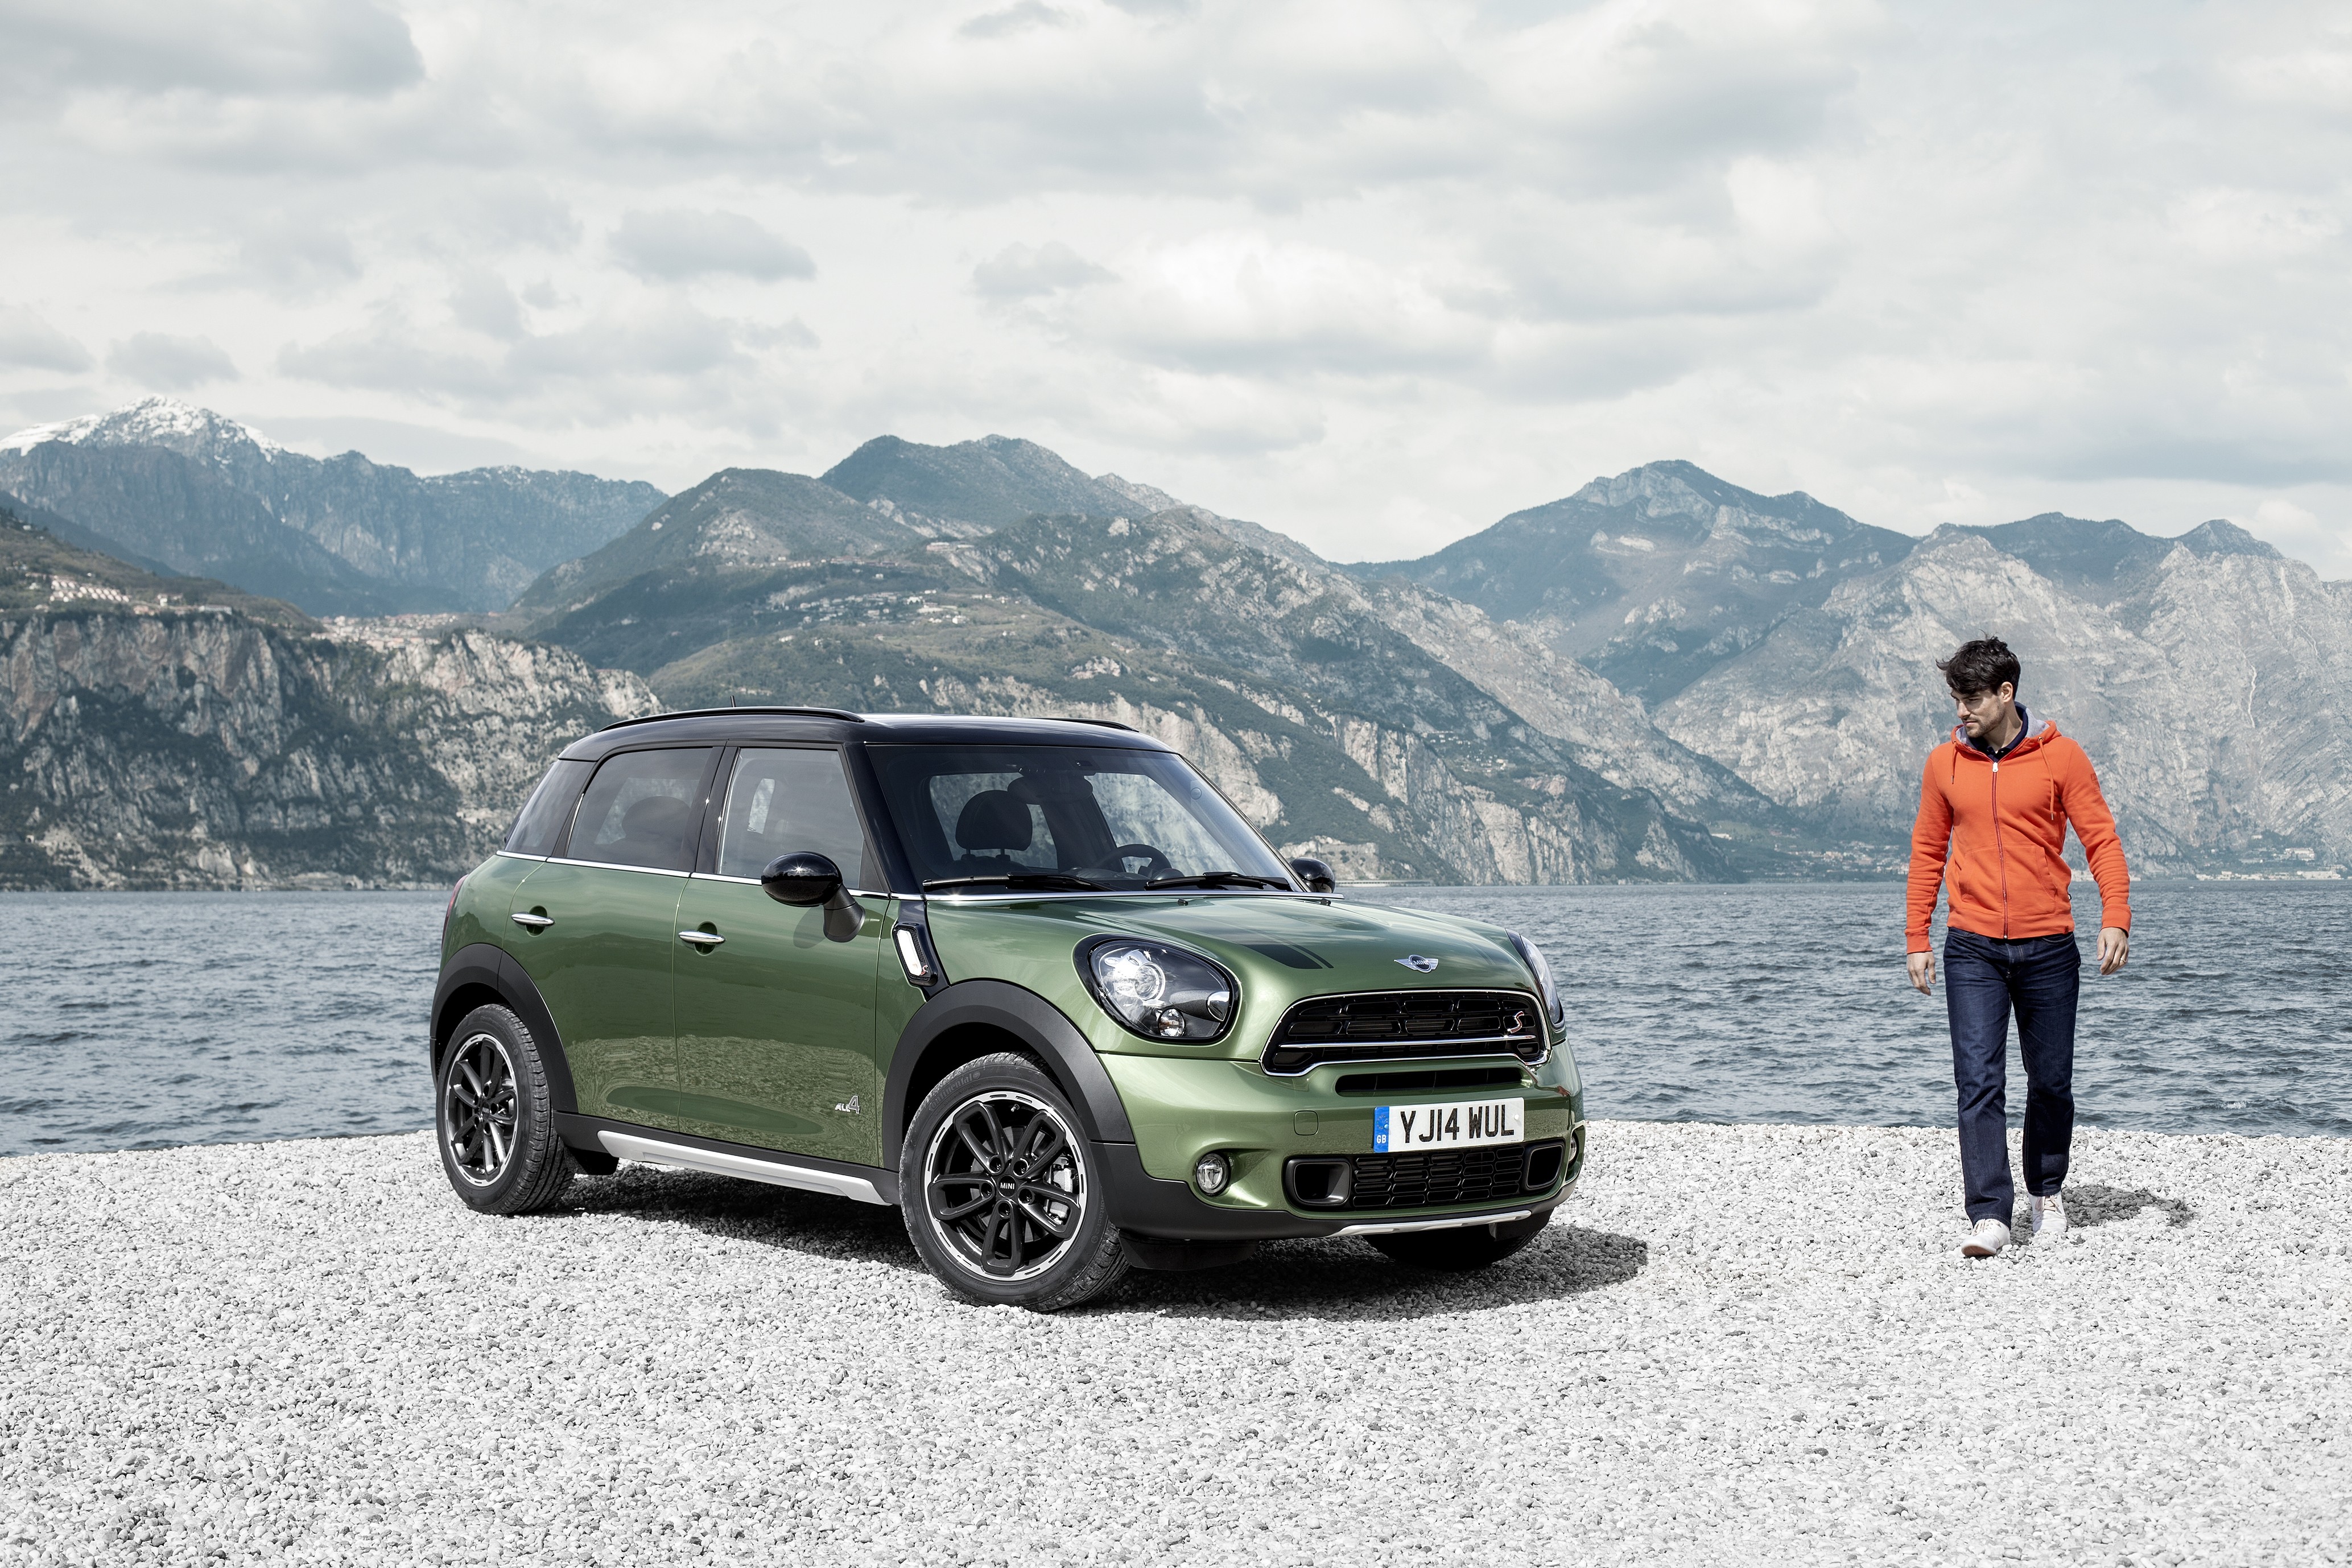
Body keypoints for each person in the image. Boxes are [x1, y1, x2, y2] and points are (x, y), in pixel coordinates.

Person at [1905, 637, 2130, 1257]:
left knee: (2051, 1081)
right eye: (1956, 699)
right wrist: (1917, 936)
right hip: (1972, 946)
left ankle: (2046, 1192)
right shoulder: (1943, 765)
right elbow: (1927, 852)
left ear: (2007, 693)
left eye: (1973, 699)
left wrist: (2116, 916)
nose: (1962, 712)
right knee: (1978, 1080)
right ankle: (1990, 1214)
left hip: (2049, 945)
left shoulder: (2063, 758)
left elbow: (2102, 840)